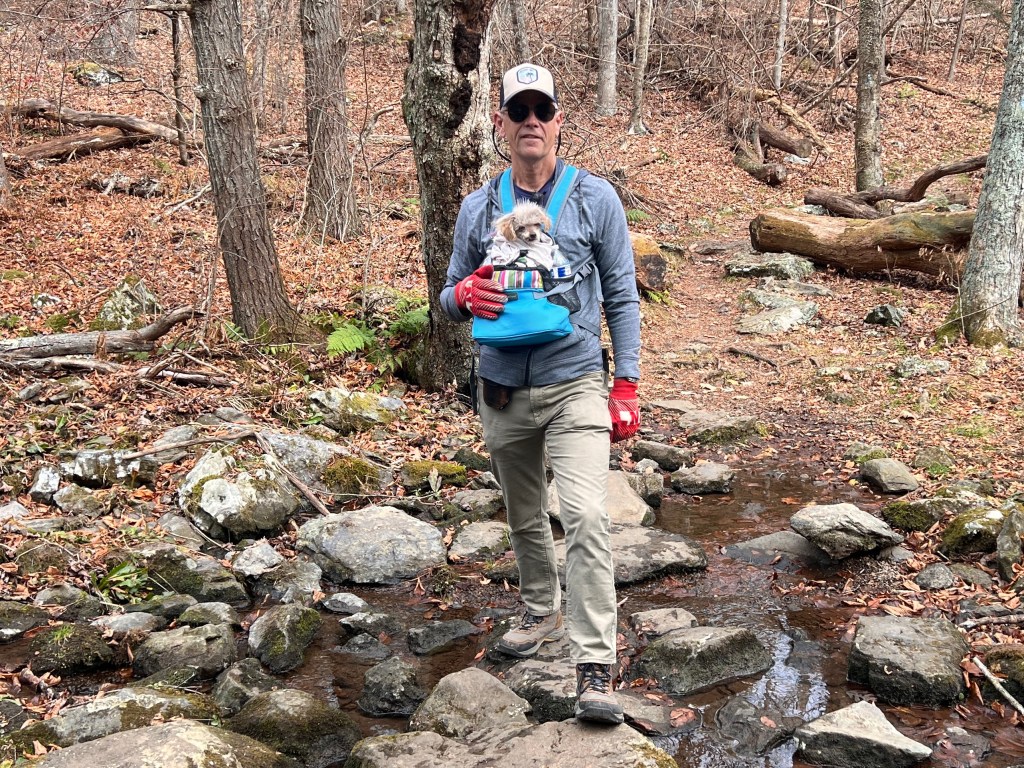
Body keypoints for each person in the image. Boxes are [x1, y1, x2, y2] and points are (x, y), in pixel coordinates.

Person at [440, 62, 641, 725]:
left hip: (575, 380)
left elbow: (621, 295)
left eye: (542, 110)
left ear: (558, 123)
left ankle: (594, 666)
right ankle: (538, 609)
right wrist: (463, 294)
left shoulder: (594, 199)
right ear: (499, 122)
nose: (531, 121)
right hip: (500, 387)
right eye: (519, 111)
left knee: (583, 515)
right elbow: (446, 296)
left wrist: (626, 384)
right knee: (524, 512)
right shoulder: (478, 207)